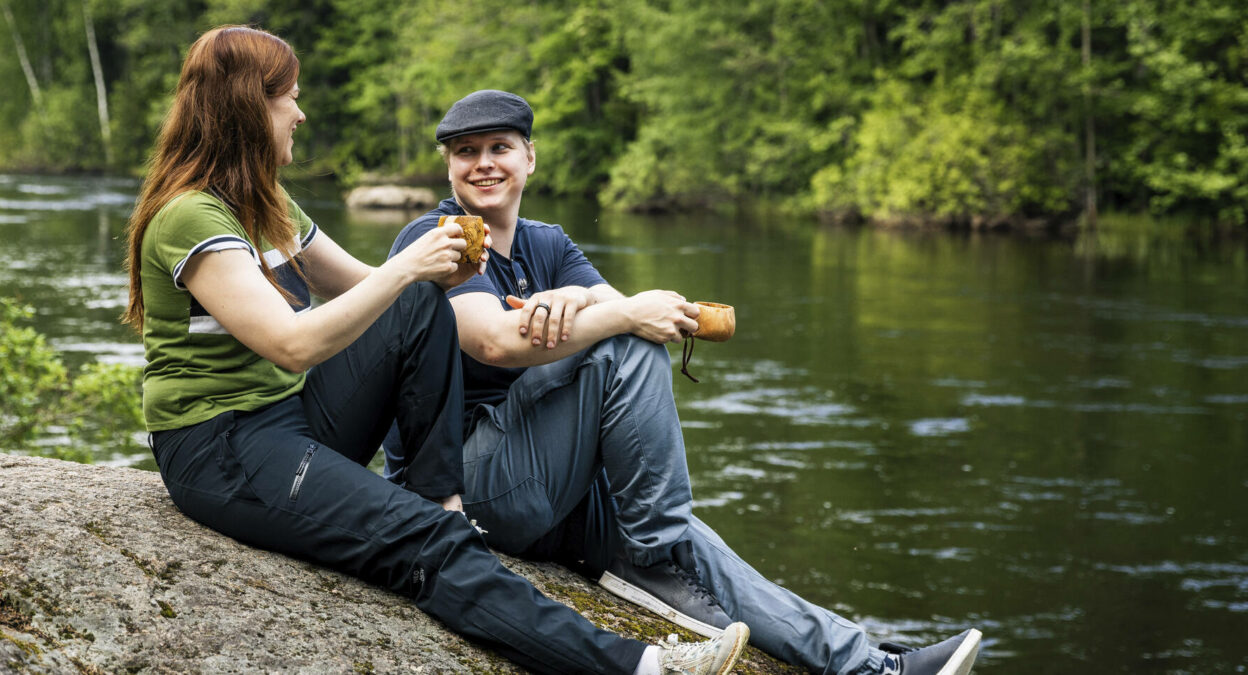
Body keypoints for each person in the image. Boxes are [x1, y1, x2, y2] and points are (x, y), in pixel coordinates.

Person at [122, 28, 751, 675]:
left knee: (421, 304)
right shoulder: (190, 216)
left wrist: (439, 276)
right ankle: (640, 666)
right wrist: (409, 265)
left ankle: (438, 497)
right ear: (251, 106)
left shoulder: (266, 201)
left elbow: (374, 290)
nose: (301, 114)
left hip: (289, 417)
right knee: (429, 543)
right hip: (222, 446)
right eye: (291, 98)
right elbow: (291, 344)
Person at [387, 90, 983, 675]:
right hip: (468, 484)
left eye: (500, 147)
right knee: (627, 346)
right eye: (466, 151)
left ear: (530, 158)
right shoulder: (436, 235)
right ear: (448, 166)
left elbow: (616, 308)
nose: (484, 162)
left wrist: (578, 295)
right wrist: (613, 312)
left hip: (552, 480)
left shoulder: (548, 241)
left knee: (704, 553)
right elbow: (495, 339)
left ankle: (870, 664)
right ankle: (650, 552)